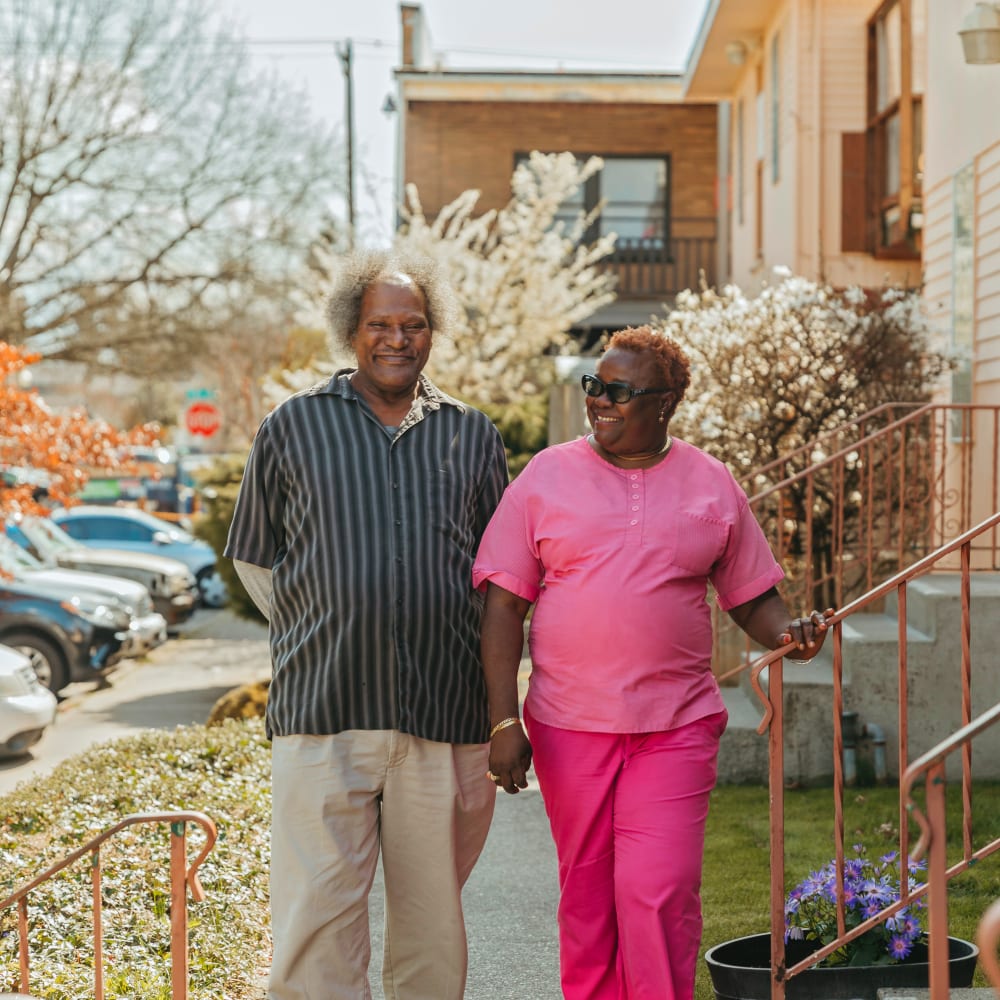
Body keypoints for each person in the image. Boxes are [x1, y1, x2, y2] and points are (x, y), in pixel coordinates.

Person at [472, 325, 831, 1000]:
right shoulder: (547, 475)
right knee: (587, 897)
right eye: (594, 386)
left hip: (675, 725)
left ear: (664, 403)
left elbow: (753, 599)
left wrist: (793, 631)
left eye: (618, 391)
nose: (600, 401)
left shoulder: (709, 482)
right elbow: (502, 605)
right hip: (569, 725)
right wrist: (501, 722)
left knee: (657, 891)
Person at [225, 248, 508, 1000]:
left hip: (443, 714)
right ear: (351, 330)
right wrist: (326, 624)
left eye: (413, 324)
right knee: (316, 914)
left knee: (431, 922)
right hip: (323, 710)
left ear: (432, 332)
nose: (397, 339)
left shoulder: (472, 435)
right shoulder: (291, 427)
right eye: (380, 323)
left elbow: (501, 580)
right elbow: (256, 561)